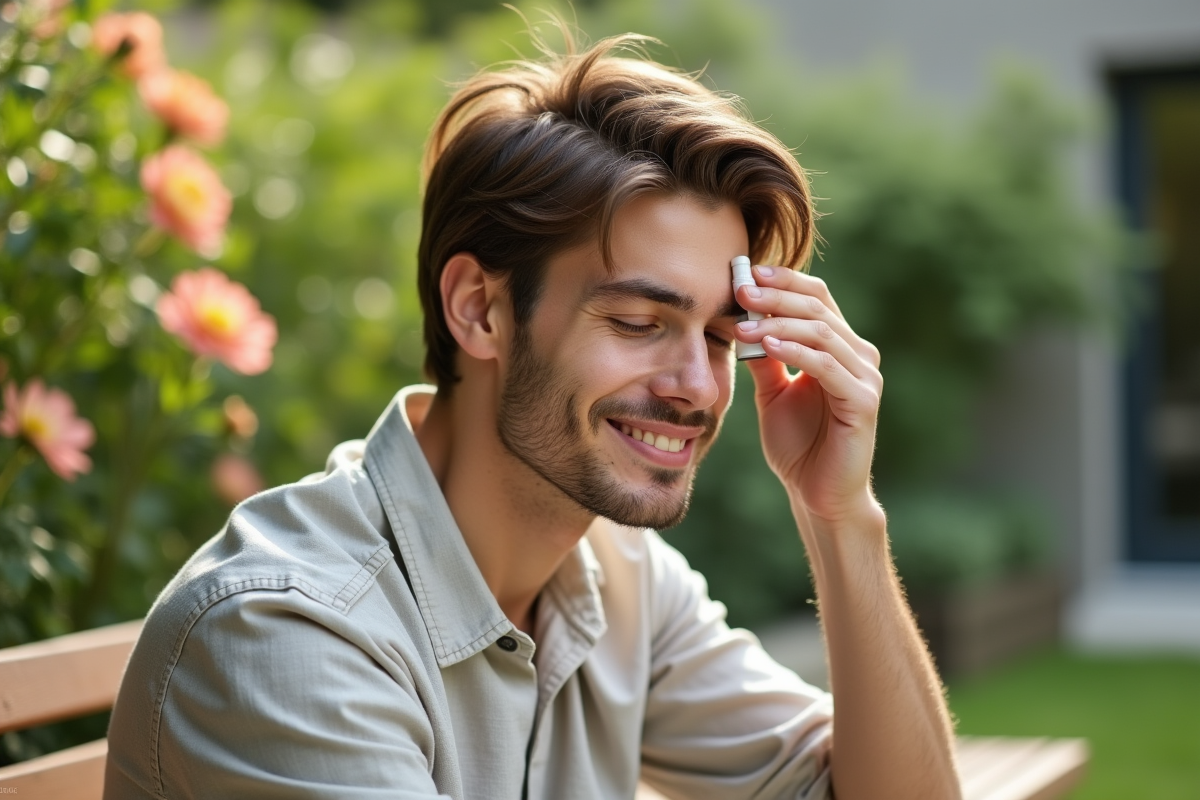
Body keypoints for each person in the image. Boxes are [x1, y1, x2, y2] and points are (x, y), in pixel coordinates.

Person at [105, 29, 961, 800]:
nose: (697, 387)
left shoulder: (620, 582)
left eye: (721, 335)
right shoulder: (287, 635)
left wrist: (841, 516)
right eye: (637, 323)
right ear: (479, 309)